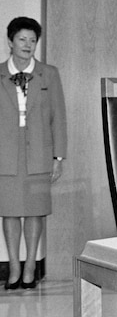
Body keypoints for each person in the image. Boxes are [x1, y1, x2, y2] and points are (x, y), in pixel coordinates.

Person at [1, 17, 66, 291]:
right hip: (6, 155)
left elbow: (58, 117)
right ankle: (14, 266)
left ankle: (30, 267)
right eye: (22, 39)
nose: (28, 45)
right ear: (10, 42)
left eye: (32, 40)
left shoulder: (48, 74)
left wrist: (59, 157)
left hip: (40, 154)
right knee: (10, 212)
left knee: (35, 212)